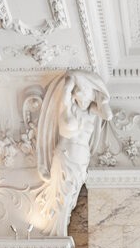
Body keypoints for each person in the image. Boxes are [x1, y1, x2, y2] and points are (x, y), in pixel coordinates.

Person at [36, 70, 111, 236]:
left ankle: (60, 229)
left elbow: (108, 114)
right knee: (60, 194)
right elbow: (64, 95)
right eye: (81, 95)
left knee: (70, 198)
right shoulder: (66, 107)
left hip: (81, 159)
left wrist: (103, 99)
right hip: (65, 154)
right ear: (74, 94)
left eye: (88, 96)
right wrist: (69, 84)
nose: (84, 100)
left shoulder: (92, 112)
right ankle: (55, 230)